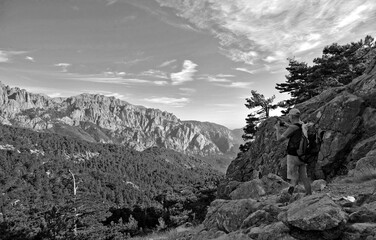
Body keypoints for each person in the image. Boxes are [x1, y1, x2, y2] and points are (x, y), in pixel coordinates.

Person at [274, 108, 312, 196]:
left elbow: (279, 139)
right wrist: (286, 125)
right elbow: (294, 127)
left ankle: (288, 198)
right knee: (304, 177)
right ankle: (309, 194)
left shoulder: (292, 128)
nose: (289, 117)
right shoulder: (302, 124)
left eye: (289, 115)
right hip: (302, 155)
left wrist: (277, 129)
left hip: (293, 156)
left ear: (291, 116)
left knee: (293, 179)